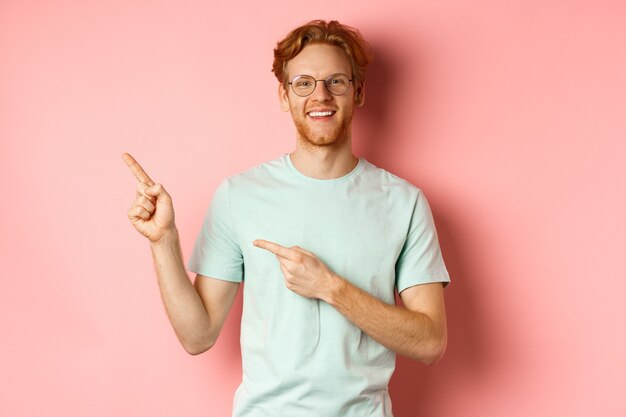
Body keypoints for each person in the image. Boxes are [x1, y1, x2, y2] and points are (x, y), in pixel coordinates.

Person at [124, 19, 450, 417]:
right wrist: (164, 241)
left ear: (358, 92)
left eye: (336, 82)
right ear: (284, 95)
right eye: (304, 83)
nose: (320, 95)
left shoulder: (404, 203)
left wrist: (331, 288)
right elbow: (198, 335)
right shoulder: (238, 196)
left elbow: (431, 342)